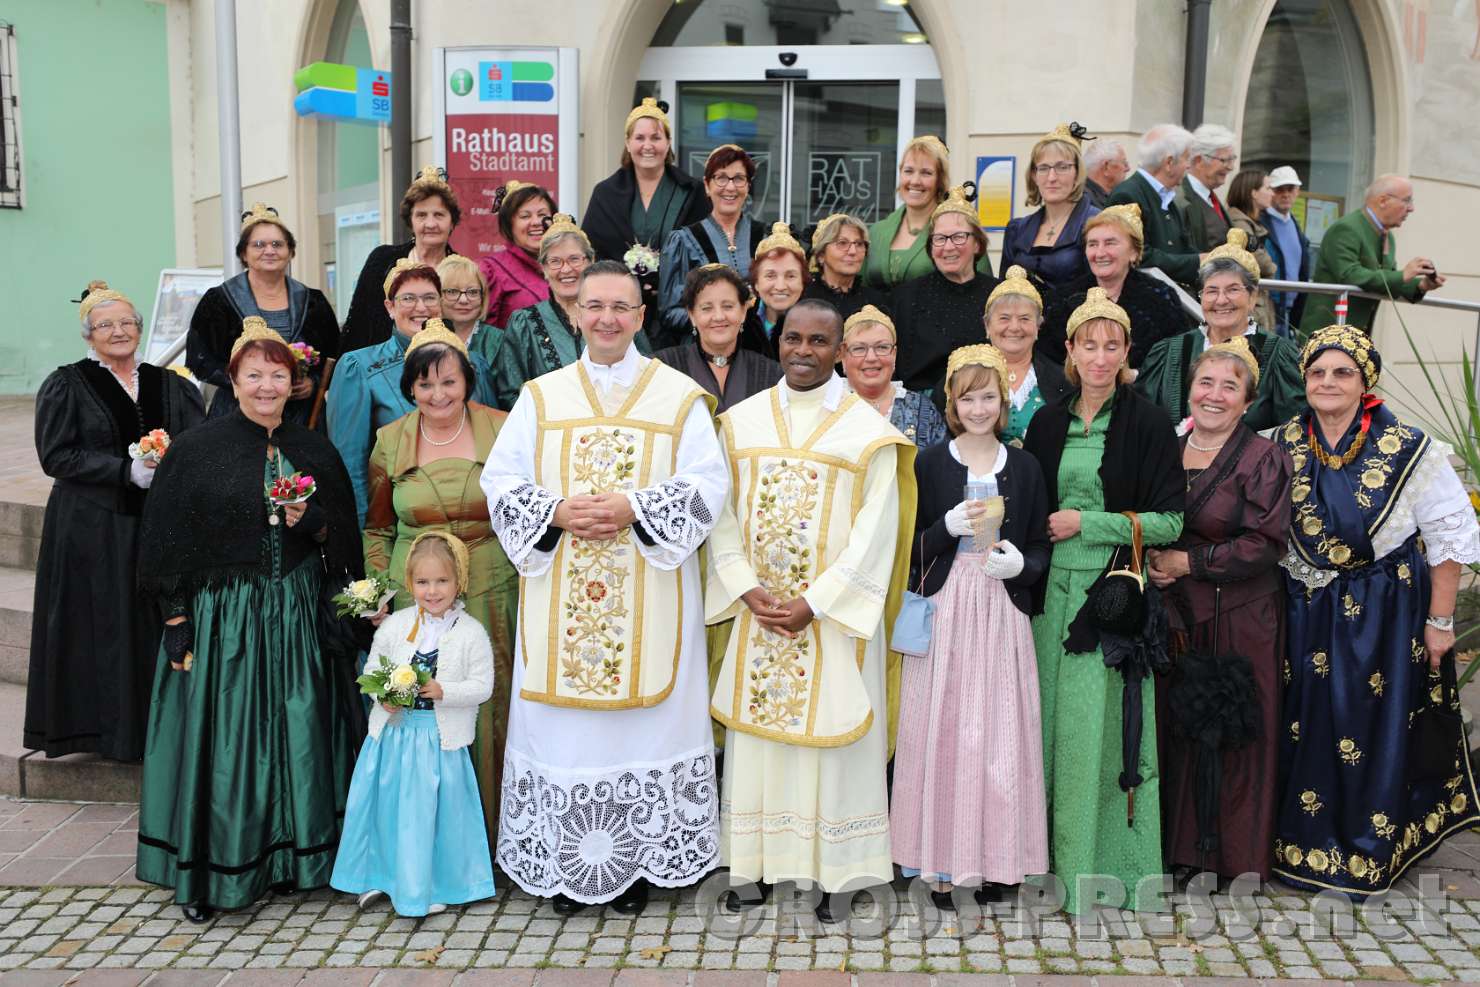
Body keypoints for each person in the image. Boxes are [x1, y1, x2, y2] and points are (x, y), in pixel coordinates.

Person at [481, 260, 728, 915]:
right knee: (569, 738)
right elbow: (500, 482)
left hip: (649, 595)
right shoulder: (541, 397)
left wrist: (635, 508)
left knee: (638, 735)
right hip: (562, 598)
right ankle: (568, 867)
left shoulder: (678, 397)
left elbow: (710, 482)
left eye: (621, 307)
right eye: (595, 306)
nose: (607, 318)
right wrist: (556, 512)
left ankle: (637, 865)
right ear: (574, 312)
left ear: (641, 315)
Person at [135, 320, 364, 922]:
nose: (267, 386)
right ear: (232, 379)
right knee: (229, 741)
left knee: (298, 735)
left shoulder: (315, 448)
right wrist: (177, 618)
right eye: (254, 374)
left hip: (295, 614)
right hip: (225, 622)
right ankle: (216, 871)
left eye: (278, 375)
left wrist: (311, 521)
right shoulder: (196, 450)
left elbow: (341, 537)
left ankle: (293, 863)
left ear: (296, 383)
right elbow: (164, 546)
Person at [706, 299, 914, 919]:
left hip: (831, 620)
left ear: (841, 350)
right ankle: (752, 864)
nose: (803, 351)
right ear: (777, 341)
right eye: (792, 338)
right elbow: (719, 515)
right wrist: (745, 587)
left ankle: (840, 872)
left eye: (819, 341)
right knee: (761, 745)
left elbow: (879, 531)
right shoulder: (739, 424)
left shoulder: (869, 432)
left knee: (832, 743)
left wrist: (815, 603)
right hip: (760, 612)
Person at [1273, 326, 1480, 897]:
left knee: (1371, 722)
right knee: (1308, 721)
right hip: (1305, 608)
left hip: (1385, 613)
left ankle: (1368, 848)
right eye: (1318, 372)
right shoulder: (1280, 442)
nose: (1328, 382)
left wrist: (1440, 623)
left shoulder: (1413, 449)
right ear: (1304, 380)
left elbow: (1450, 538)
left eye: (1342, 372)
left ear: (1366, 382)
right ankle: (1301, 842)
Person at [1022, 288, 1184, 915]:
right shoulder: (1045, 420)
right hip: (1045, 597)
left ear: (1124, 353)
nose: (1098, 355)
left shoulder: (1145, 421)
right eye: (1087, 344)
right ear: (1068, 351)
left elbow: (1170, 521)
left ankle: (1094, 870)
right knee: (1042, 729)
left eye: (1110, 345)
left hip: (1109, 599)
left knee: (1092, 735)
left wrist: (1088, 524)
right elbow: (1031, 510)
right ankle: (1035, 866)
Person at [891, 343, 1051, 908]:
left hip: (1001, 607)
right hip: (949, 604)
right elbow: (907, 552)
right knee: (945, 732)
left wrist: (1022, 566)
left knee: (1002, 735)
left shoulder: (1025, 466)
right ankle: (939, 862)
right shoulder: (931, 462)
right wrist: (945, 527)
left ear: (1002, 402)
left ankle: (999, 862)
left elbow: (1037, 547)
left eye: (988, 397)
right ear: (952, 403)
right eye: (968, 398)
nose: (979, 408)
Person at [24, 281, 205, 762]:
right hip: (92, 529)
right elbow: (57, 455)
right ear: (89, 336)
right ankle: (104, 733)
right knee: (103, 626)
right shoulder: (67, 384)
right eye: (106, 325)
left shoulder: (171, 384)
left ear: (140, 329)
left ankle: (161, 727)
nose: (119, 331)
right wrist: (124, 470)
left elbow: (198, 447)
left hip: (159, 525)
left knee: (154, 621)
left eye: (127, 322)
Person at [362, 323, 516, 848]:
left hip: (495, 585)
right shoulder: (389, 441)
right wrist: (382, 590)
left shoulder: (504, 427)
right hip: (418, 590)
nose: (439, 395)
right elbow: (379, 526)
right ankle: (425, 839)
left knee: (491, 704)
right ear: (410, 389)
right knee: (422, 711)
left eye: (449, 382)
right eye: (425, 386)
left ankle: (495, 835)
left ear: (467, 381)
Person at [1145, 338, 1292, 882]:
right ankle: (1183, 852)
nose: (1214, 395)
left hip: (1241, 616)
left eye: (1229, 387)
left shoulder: (1262, 458)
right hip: (1175, 616)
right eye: (1206, 383)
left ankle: (1231, 858)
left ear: (1248, 401)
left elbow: (1266, 543)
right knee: (1179, 731)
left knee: (1234, 736)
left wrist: (1189, 562)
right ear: (1189, 391)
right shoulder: (1167, 447)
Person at [331, 532, 497, 918]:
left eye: (442, 581)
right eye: (422, 582)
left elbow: (482, 687)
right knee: (389, 811)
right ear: (410, 584)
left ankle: (435, 883)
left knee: (431, 816)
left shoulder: (470, 632)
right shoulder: (396, 626)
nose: (432, 591)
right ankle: (383, 876)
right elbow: (372, 669)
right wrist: (382, 696)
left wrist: (444, 690)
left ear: (459, 582)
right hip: (393, 736)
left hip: (438, 742)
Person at [327, 260, 498, 522]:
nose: (421, 308)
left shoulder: (473, 363)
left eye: (429, 298)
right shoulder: (359, 368)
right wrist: (364, 534)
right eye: (408, 298)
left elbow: (495, 446)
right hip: (399, 522)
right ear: (390, 307)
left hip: (474, 517)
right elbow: (350, 464)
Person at [186, 203, 339, 423]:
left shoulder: (313, 301)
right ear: (244, 254)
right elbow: (199, 360)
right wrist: (250, 384)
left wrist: (313, 383)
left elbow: (335, 356)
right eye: (258, 244)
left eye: (278, 244)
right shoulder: (218, 301)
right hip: (237, 414)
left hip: (302, 417)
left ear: (290, 252)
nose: (269, 251)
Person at [1138, 230, 1304, 431]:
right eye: (1212, 291)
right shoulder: (1169, 352)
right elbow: (1142, 423)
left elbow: (1295, 432)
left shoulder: (1278, 355)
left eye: (1233, 290)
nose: (1221, 300)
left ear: (1252, 297)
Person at [497, 214, 653, 411]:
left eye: (574, 259)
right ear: (544, 268)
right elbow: (510, 393)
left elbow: (645, 373)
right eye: (555, 261)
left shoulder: (617, 315)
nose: (566, 269)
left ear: (591, 261)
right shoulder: (525, 322)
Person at [1039, 204, 1195, 367]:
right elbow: (1048, 360)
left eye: (1110, 243)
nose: (1100, 253)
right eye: (1092, 244)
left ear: (1134, 252)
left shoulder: (1162, 299)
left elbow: (1175, 361)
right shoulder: (1062, 299)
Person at [893, 185, 1001, 408]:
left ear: (977, 243)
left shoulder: (999, 295)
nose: (948, 247)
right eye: (940, 239)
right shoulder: (906, 297)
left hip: (985, 408)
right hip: (921, 411)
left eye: (959, 237)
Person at [1299, 175, 1444, 335]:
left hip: (1354, 337)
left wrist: (1421, 285)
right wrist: (1403, 275)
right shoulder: (1347, 229)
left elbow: (1385, 282)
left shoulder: (1386, 235)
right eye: (1407, 200)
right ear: (1383, 201)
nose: (1411, 208)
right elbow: (1351, 275)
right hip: (1327, 335)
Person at [657, 144, 767, 349]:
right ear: (707, 185)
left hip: (759, 349)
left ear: (748, 186)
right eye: (721, 178)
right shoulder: (684, 241)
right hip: (703, 350)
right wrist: (713, 321)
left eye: (739, 178)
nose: (730, 187)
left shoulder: (765, 237)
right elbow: (670, 311)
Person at [342, 166, 460, 352]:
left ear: (452, 222)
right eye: (421, 215)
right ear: (410, 222)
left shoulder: (461, 270)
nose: (430, 224)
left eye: (439, 215)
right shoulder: (382, 260)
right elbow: (359, 323)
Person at [582, 97, 710, 267]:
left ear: (668, 143)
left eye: (656, 138)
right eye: (640, 138)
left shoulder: (691, 192)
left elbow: (704, 250)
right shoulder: (605, 194)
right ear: (628, 143)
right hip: (617, 290)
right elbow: (590, 251)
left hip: (678, 291)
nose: (647, 146)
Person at [655, 264, 781, 413]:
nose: (719, 317)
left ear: (743, 312)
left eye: (728, 306)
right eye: (707, 308)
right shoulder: (663, 368)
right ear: (692, 315)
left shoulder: (771, 374)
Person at [999, 123, 1101, 291]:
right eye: (1044, 168)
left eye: (1062, 167)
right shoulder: (1017, 230)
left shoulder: (1097, 224)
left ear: (1077, 173)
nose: (1052, 177)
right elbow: (1003, 291)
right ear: (1034, 175)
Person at [1106, 123, 1202, 287]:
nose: (1188, 165)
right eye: (1187, 158)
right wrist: (1197, 261)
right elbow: (1137, 254)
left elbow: (1182, 246)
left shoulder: (1167, 196)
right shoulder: (1127, 195)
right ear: (1169, 163)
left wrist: (1213, 259)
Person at [983, 267, 1069, 444]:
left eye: (1024, 319)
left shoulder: (1062, 380)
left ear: (1038, 326)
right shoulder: (964, 376)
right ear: (987, 326)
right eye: (1004, 318)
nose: (1014, 327)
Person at [841, 304, 946, 447]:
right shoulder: (827, 404)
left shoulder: (922, 409)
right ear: (843, 356)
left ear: (894, 354)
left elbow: (938, 464)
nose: (871, 357)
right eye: (859, 348)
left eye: (882, 347)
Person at [865, 134, 952, 292]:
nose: (915, 181)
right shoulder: (876, 232)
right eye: (909, 171)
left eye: (926, 173)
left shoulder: (957, 231)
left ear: (940, 180)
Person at [480, 181, 557, 329]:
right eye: (525, 216)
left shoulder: (565, 265)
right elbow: (486, 335)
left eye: (542, 215)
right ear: (510, 224)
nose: (536, 222)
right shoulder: (492, 270)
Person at [802, 213, 888, 323]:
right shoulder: (804, 298)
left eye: (859, 244)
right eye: (842, 243)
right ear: (821, 255)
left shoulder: (877, 302)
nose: (853, 251)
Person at [1224, 168, 1280, 333]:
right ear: (1254, 193)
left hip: (1259, 300)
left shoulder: (1256, 223)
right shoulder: (1238, 222)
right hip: (1250, 303)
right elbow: (1260, 261)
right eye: (1268, 188)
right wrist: (1271, 267)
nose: (1272, 193)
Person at [1261, 166, 1311, 335]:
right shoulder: (1260, 223)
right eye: (1279, 189)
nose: (1285, 194)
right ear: (1271, 191)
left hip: (1290, 313)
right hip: (1267, 309)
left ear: (1297, 192)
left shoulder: (1295, 226)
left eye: (1290, 189)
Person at [1175, 124, 1238, 252]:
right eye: (1224, 160)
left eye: (1232, 159)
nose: (1230, 167)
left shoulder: (1210, 197)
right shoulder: (1179, 200)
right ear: (1199, 161)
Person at [437, 254, 506, 371]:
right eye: (452, 292)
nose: (464, 300)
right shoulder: (425, 338)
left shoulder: (500, 341)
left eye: (473, 292)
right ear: (437, 296)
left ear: (483, 297)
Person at [747, 221, 808, 350]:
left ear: (803, 282)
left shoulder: (818, 322)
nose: (780, 286)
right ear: (756, 283)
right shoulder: (740, 323)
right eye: (770, 276)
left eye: (790, 276)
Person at [1084, 138, 1129, 209]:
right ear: (1106, 167)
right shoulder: (1086, 203)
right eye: (1124, 163)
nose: (1128, 168)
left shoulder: (1108, 197)